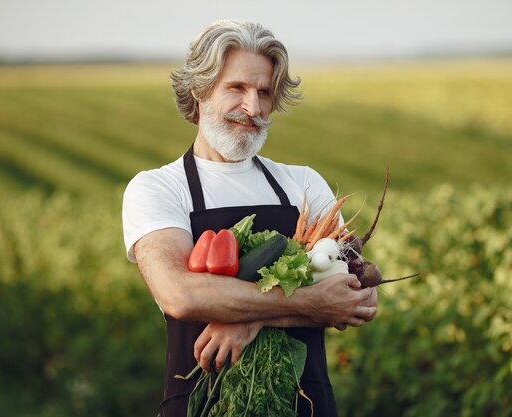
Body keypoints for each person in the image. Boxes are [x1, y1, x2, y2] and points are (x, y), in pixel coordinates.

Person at [122, 19, 378, 417]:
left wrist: (247, 321)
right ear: (199, 90)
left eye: (263, 92)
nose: (253, 108)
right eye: (237, 88)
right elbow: (181, 294)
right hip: (203, 404)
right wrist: (308, 304)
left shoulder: (302, 183)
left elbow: (358, 295)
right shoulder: (158, 188)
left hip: (304, 405)